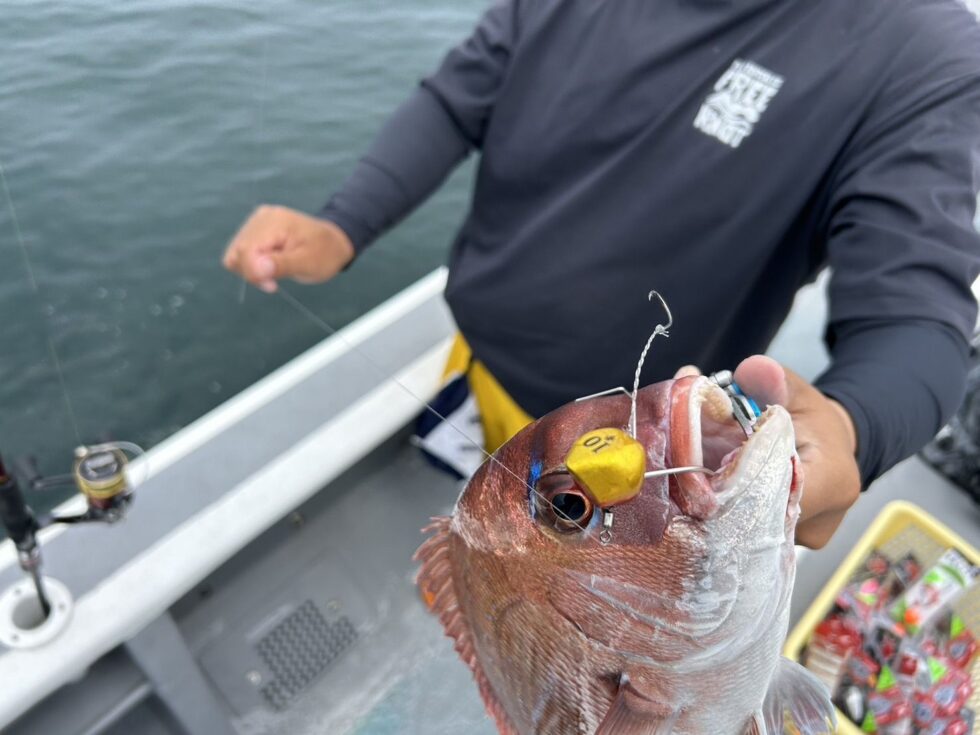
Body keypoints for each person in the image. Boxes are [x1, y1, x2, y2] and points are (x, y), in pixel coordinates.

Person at [224, 0, 980, 549]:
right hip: (481, 365)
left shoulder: (922, 54)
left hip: (632, 461)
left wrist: (853, 427)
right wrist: (343, 225)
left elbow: (915, 315)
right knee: (483, 531)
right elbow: (461, 96)